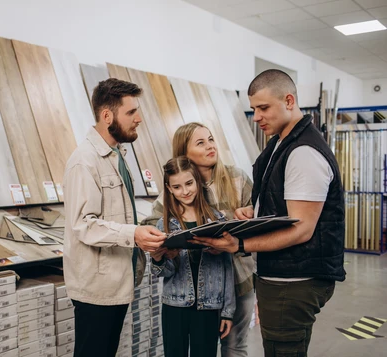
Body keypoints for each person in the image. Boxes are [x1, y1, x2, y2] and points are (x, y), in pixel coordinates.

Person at [195, 69, 345, 357]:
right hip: (282, 275)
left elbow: (301, 228)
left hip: (295, 279)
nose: (257, 117)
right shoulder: (280, 144)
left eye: (263, 108)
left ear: (289, 100)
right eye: (253, 109)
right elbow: (286, 205)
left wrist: (238, 244)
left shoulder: (304, 152)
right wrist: (257, 210)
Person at [63, 78, 167, 357]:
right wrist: (133, 234)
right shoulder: (84, 161)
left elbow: (118, 214)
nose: (139, 119)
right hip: (97, 287)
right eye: (131, 112)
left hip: (117, 281)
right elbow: (83, 224)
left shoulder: (116, 155)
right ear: (106, 115)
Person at [146, 122, 255, 357]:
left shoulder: (237, 178)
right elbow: (151, 228)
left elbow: (260, 220)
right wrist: (161, 248)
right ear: (184, 153)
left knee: (234, 347)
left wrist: (248, 216)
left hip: (239, 279)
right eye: (201, 142)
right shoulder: (175, 192)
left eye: (211, 139)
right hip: (191, 292)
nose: (210, 146)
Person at [151, 156, 235, 357]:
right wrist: (159, 259)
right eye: (177, 187)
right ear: (169, 189)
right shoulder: (164, 225)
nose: (185, 191)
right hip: (174, 305)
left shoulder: (217, 220)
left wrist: (228, 311)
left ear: (197, 181)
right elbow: (163, 272)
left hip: (209, 306)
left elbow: (228, 267)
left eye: (189, 183)